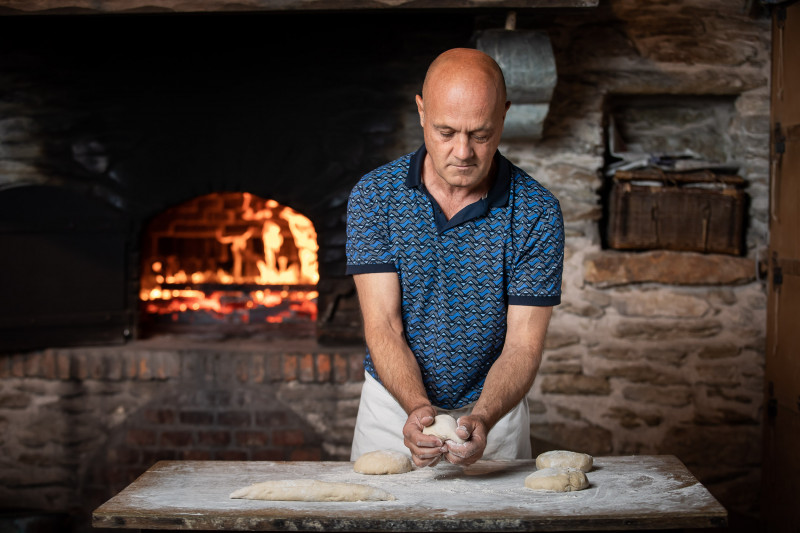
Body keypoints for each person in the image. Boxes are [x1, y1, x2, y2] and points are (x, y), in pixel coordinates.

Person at [345, 48, 563, 468]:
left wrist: (481, 417)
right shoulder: (374, 197)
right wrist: (417, 407)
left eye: (480, 134)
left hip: (492, 415)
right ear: (422, 112)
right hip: (392, 410)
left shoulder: (537, 211)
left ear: (505, 115)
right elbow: (383, 324)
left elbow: (522, 345)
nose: (463, 152)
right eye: (446, 132)